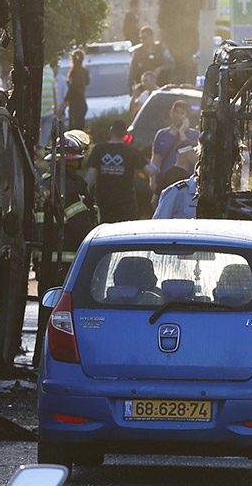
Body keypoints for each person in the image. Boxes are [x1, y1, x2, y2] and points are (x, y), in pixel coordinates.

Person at [33, 132, 98, 364]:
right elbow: (81, 225)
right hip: (68, 261)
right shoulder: (69, 187)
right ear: (74, 161)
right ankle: (56, 360)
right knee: (67, 313)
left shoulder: (44, 183)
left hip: (45, 259)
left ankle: (39, 359)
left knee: (46, 309)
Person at [85, 119, 156, 223]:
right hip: (126, 201)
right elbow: (148, 172)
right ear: (125, 133)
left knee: (106, 230)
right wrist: (155, 166)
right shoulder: (131, 151)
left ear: (111, 130)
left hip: (104, 200)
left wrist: (83, 193)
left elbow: (90, 175)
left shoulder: (99, 149)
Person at [150, 99, 200, 189]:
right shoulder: (162, 134)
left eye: (182, 113)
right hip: (165, 180)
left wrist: (182, 133)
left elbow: (191, 155)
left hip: (185, 183)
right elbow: (156, 159)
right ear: (171, 113)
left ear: (186, 116)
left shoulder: (194, 135)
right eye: (176, 112)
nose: (178, 116)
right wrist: (152, 180)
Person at [126, 25, 175, 93]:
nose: (142, 40)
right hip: (144, 89)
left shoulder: (161, 49)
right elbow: (132, 70)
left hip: (161, 86)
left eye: (144, 37)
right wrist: (130, 85)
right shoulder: (138, 52)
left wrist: (161, 68)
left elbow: (171, 64)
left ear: (151, 37)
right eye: (141, 38)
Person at [153, 141, 197, 206]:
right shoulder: (185, 178)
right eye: (195, 152)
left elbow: (154, 200)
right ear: (186, 154)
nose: (197, 156)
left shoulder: (165, 173)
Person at [63, 49, 89, 130]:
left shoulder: (74, 73)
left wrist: (65, 99)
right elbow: (87, 82)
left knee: (74, 128)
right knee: (80, 126)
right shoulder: (84, 71)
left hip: (75, 104)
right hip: (81, 102)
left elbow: (73, 89)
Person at [39, 63, 57, 147]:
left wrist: (55, 106)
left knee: (44, 138)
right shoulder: (36, 70)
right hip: (38, 112)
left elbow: (54, 89)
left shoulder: (49, 69)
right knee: (37, 138)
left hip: (48, 111)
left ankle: (42, 152)